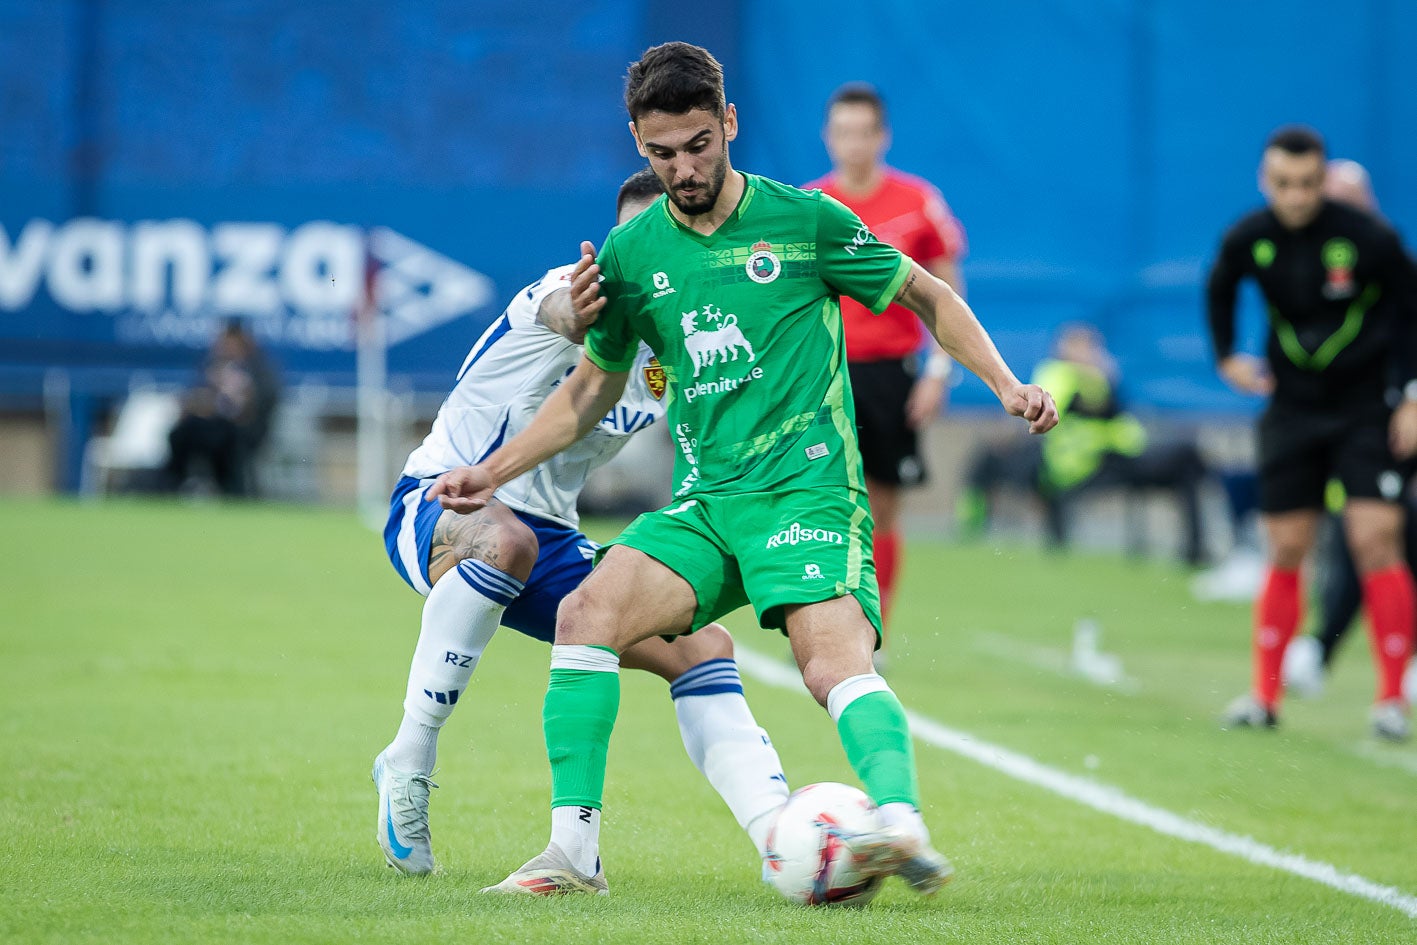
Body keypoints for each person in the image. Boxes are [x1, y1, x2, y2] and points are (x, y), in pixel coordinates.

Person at [430, 42, 1057, 896]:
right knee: (587, 614)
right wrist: (489, 470)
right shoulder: (631, 254)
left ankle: (902, 826)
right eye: (661, 152)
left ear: (728, 123)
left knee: (827, 664)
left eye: (697, 144)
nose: (683, 167)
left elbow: (928, 296)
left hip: (804, 489)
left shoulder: (806, 220)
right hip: (706, 502)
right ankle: (573, 854)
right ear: (636, 143)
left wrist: (1005, 383)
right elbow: (585, 393)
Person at [372, 168, 791, 881]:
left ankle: (786, 835)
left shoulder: (679, 338)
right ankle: (408, 759)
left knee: (701, 646)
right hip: (443, 502)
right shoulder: (565, 289)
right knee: (506, 540)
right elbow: (564, 311)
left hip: (554, 539)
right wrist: (585, 303)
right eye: (634, 238)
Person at [1206, 127, 1417, 741]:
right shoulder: (1250, 237)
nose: (1295, 196)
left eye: (1307, 184)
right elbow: (1219, 287)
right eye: (1282, 185)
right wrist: (1227, 357)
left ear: (1322, 181)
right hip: (1293, 409)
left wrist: (1409, 395)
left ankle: (1389, 701)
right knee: (1287, 544)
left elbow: (1411, 309)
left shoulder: (1367, 238)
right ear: (1264, 181)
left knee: (1376, 539)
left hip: (1364, 410)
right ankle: (1264, 698)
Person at [802, 83, 965, 650]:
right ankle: (822, 626)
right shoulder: (809, 205)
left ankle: (875, 635)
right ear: (828, 137)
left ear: (882, 136)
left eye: (863, 131)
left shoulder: (917, 202)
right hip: (823, 373)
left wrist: (940, 371)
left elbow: (946, 291)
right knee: (822, 504)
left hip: (891, 373)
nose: (852, 143)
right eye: (841, 131)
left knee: (883, 508)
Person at [1283, 159, 1417, 701]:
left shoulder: (1390, 261)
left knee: (1385, 537)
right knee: (1362, 537)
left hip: (1398, 415)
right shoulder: (1309, 265)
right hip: (1355, 427)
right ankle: (1322, 648)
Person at [960, 324, 1213, 565]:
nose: (1087, 352)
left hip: (1118, 456)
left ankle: (1196, 551)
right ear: (1063, 349)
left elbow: (1121, 422)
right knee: (1186, 456)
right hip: (1087, 464)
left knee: (1187, 460)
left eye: (1090, 345)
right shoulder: (1059, 373)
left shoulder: (1101, 377)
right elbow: (1040, 409)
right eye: (1079, 345)